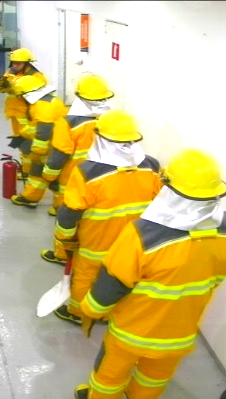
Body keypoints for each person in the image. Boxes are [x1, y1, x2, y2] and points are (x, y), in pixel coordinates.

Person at [73, 148, 226, 399]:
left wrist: (89, 310)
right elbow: (219, 276)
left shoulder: (142, 235)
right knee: (154, 378)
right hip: (179, 334)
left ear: (167, 187)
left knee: (109, 375)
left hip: (131, 333)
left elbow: (112, 285)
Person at [52, 110, 163, 328]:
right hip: (133, 241)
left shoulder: (86, 172)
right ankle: (111, 311)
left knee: (86, 274)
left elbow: (70, 212)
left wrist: (63, 239)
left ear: (99, 137)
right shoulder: (151, 166)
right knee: (122, 277)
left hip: (96, 240)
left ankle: (77, 311)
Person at [40, 73, 114, 265]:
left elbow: (58, 156)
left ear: (79, 97)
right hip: (102, 180)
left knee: (67, 219)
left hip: (74, 179)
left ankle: (62, 254)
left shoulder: (68, 124)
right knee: (89, 218)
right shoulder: (111, 121)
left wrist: (49, 176)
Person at [6, 75, 68, 209]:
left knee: (39, 172)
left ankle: (30, 198)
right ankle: (59, 206)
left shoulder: (41, 106)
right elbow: (36, 125)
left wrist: (37, 152)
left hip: (50, 146)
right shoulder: (50, 101)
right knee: (55, 176)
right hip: (58, 143)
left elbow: (44, 131)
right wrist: (23, 134)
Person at [0, 48, 45, 178]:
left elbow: (40, 94)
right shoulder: (11, 71)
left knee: (27, 143)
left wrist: (13, 87)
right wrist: (1, 84)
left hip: (26, 114)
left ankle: (28, 171)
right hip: (14, 113)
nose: (15, 66)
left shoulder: (36, 76)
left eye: (19, 63)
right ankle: (25, 166)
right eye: (13, 63)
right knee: (21, 142)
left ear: (27, 63)